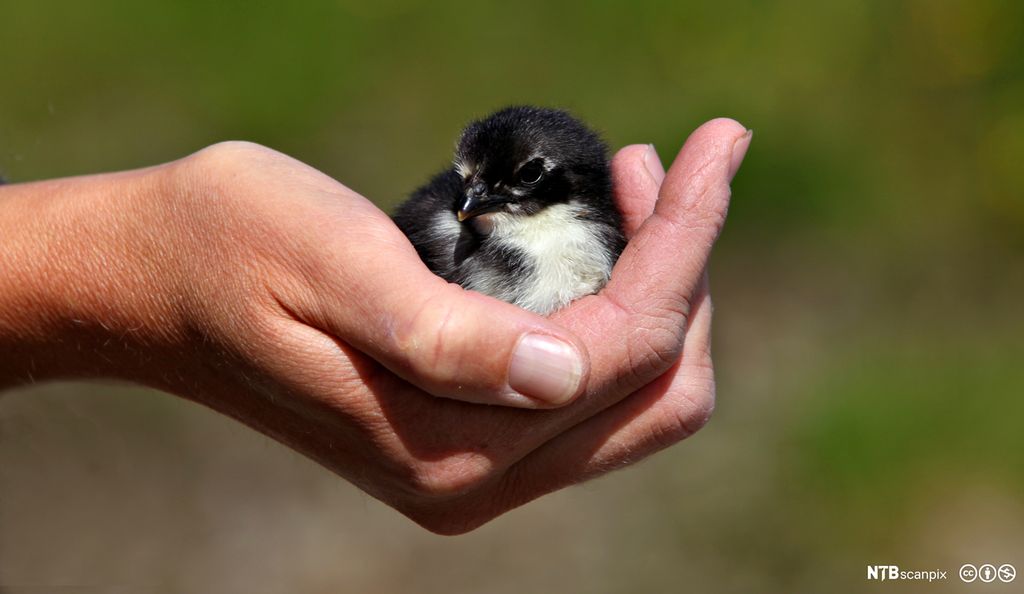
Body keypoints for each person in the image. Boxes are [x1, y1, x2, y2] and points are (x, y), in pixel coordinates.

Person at [0, 119, 750, 535]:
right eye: (467, 184)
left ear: (564, 183)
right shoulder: (452, 234)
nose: (471, 205)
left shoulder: (590, 235)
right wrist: (139, 280)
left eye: (509, 183)